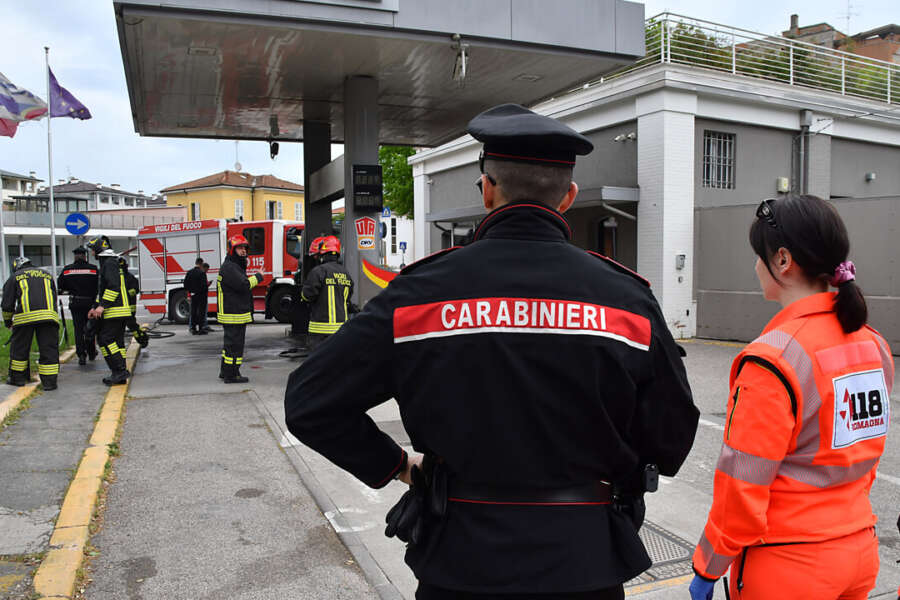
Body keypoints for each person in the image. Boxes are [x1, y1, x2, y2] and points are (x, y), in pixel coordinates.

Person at [285, 104, 699, 599]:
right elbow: (672, 433)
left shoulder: (419, 295)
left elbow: (310, 401)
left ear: (487, 190)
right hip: (584, 559)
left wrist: (398, 465)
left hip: (460, 560)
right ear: (568, 197)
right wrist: (613, 476)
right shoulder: (626, 299)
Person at [689, 194, 893, 600]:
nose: (754, 266)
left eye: (758, 256)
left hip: (788, 564)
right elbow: (861, 455)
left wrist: (708, 567)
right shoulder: (874, 345)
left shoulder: (773, 358)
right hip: (859, 551)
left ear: (782, 260)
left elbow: (742, 482)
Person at [1, 257, 60, 390]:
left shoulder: (15, 277)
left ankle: (18, 379)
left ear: (16, 267)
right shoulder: (47, 275)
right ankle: (50, 383)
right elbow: (54, 296)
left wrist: (8, 322)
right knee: (49, 350)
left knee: (19, 350)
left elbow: (6, 304)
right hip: (48, 317)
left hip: (25, 318)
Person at [217, 235, 263, 384]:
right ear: (232, 250)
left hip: (234, 313)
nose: (243, 251)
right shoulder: (230, 267)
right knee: (235, 348)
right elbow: (244, 285)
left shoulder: (233, 266)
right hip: (233, 314)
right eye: (240, 248)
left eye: (245, 248)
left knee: (229, 347)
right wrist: (258, 277)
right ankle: (232, 375)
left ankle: (225, 372)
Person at [86, 236, 132, 386]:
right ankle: (119, 373)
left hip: (115, 311)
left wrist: (102, 306)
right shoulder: (110, 262)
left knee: (105, 340)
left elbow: (113, 287)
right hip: (117, 310)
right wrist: (95, 307)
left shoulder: (109, 263)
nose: (91, 253)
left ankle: (119, 371)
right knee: (117, 343)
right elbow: (104, 289)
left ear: (98, 249)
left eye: (93, 250)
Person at [301, 235, 353, 349]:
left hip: (319, 332)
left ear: (322, 255)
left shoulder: (318, 271)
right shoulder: (346, 274)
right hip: (341, 330)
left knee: (318, 364)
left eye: (316, 256)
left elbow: (307, 296)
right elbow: (348, 298)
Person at [57, 246, 98, 365]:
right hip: (90, 303)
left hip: (75, 303)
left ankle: (81, 355)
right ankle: (91, 352)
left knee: (78, 330)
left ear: (75, 256)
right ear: (85, 256)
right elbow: (99, 285)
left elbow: (61, 286)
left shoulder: (67, 270)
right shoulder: (94, 269)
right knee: (90, 328)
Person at [119, 257, 148, 349]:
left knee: (131, 326)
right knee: (126, 327)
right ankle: (141, 339)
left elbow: (136, 290)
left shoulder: (129, 278)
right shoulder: (119, 278)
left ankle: (142, 339)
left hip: (128, 308)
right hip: (122, 308)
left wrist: (126, 294)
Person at [183, 258, 211, 335]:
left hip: (193, 295)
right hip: (201, 296)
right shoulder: (202, 273)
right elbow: (204, 286)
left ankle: (193, 328)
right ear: (201, 264)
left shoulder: (189, 272)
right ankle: (201, 328)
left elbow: (185, 285)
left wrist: (190, 292)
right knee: (201, 312)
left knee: (193, 312)